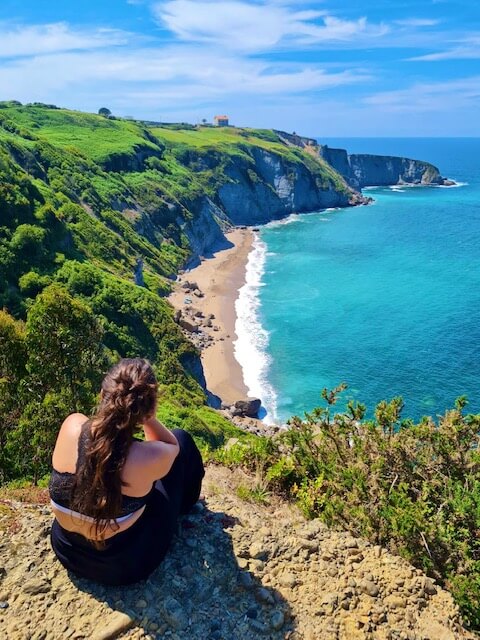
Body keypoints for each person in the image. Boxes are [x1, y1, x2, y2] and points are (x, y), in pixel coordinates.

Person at [49, 358, 205, 585]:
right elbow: (173, 447)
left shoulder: (72, 425)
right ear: (146, 410)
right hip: (126, 566)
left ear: (102, 395)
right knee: (182, 438)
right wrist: (147, 417)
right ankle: (189, 506)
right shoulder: (147, 457)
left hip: (68, 552)